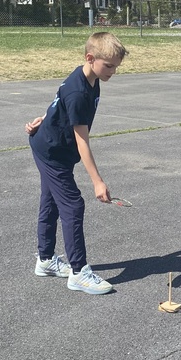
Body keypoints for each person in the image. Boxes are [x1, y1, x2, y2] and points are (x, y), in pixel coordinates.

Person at [25, 32, 128, 294]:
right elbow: (83, 141)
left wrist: (44, 119)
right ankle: (79, 272)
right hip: (53, 154)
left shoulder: (89, 78)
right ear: (90, 58)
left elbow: (57, 104)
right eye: (109, 66)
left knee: (50, 202)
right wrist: (97, 181)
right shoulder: (79, 91)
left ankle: (46, 260)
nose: (113, 71)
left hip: (51, 145)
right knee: (73, 204)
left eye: (116, 66)